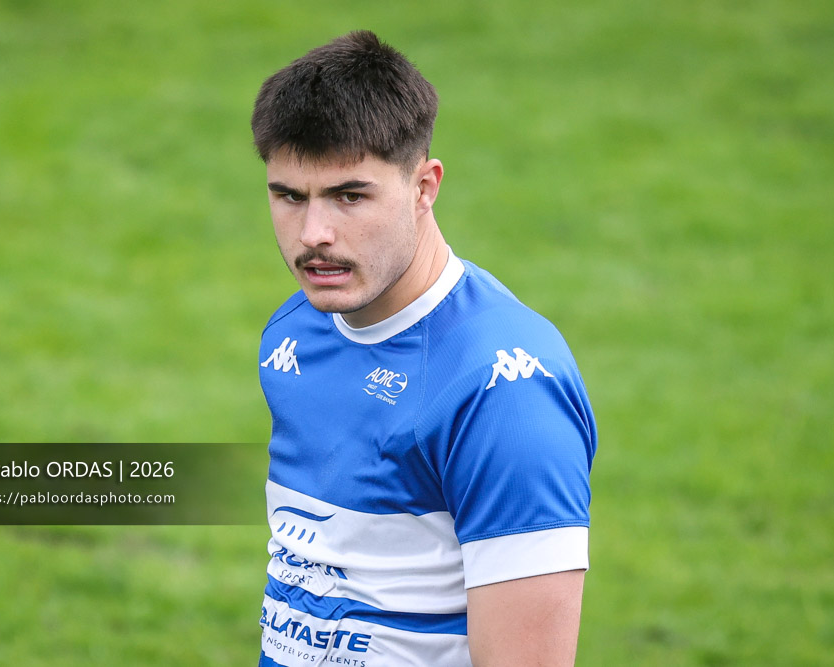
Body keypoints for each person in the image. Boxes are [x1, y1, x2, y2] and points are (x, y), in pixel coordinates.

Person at [252, 30, 596, 666]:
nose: (313, 235)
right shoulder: (296, 328)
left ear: (424, 185)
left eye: (350, 196)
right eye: (289, 196)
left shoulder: (504, 389)